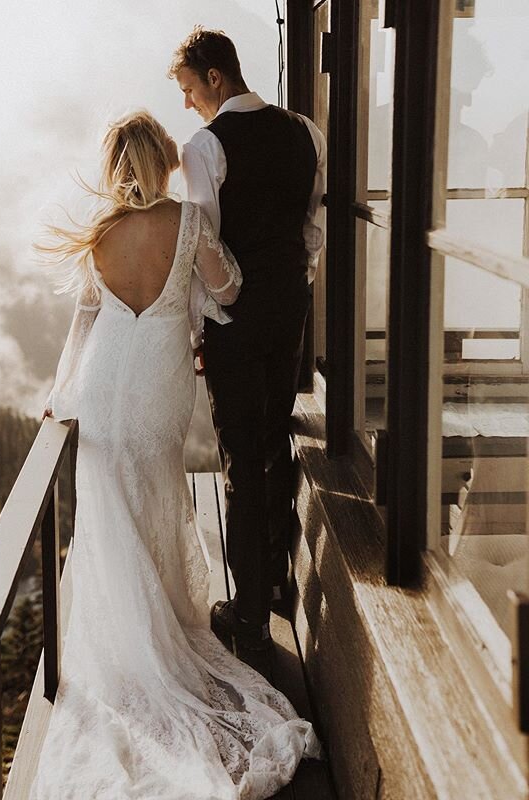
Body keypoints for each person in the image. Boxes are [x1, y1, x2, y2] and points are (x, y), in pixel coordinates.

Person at [30, 110, 320, 799]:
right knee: (158, 492)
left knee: (109, 510)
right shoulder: (189, 221)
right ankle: (163, 627)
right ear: (161, 161)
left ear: (113, 164)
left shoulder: (97, 233)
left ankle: (123, 645)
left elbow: (86, 320)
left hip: (104, 386)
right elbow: (228, 290)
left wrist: (62, 392)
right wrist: (191, 295)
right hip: (160, 378)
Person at [169, 27, 326, 654]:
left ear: (214, 77)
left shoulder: (204, 147)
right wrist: (297, 284)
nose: (186, 102)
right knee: (273, 437)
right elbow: (311, 227)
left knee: (241, 458)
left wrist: (204, 326)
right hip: (291, 310)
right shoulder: (305, 132)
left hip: (235, 319)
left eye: (187, 87)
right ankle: (277, 582)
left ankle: (253, 615)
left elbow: (201, 248)